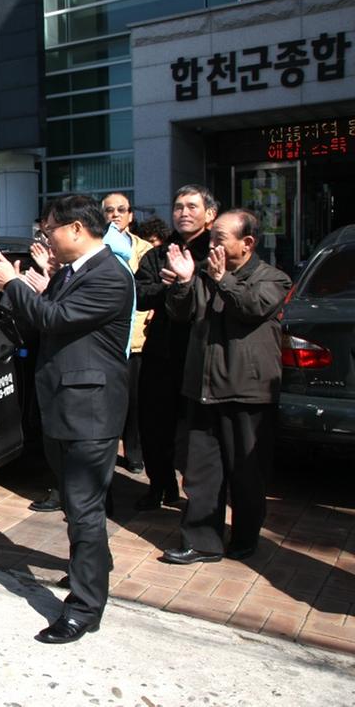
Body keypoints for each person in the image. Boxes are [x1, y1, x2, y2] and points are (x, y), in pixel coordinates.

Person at [0, 194, 133, 644]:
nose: (47, 238)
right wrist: (15, 288)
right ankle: (92, 569)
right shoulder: (74, 273)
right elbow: (41, 318)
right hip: (63, 406)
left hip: (90, 413)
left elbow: (55, 318)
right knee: (77, 506)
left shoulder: (110, 277)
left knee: (83, 508)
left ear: (77, 230)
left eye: (50, 231)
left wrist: (12, 283)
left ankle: (84, 608)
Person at [159, 210, 291, 565]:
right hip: (202, 387)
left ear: (247, 243)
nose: (212, 244)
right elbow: (179, 313)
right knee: (200, 471)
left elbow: (250, 308)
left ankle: (246, 537)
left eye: (219, 238)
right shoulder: (203, 274)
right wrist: (184, 283)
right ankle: (202, 541)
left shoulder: (272, 278)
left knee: (246, 474)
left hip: (246, 390)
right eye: (211, 238)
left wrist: (222, 280)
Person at [133, 185, 218, 511]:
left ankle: (200, 500)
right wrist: (169, 284)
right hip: (161, 352)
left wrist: (188, 278)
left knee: (199, 431)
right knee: (154, 424)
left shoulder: (216, 251)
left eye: (192, 206)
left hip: (203, 352)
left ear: (209, 214)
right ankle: (160, 486)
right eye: (178, 206)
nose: (184, 212)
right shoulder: (159, 253)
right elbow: (140, 294)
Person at [102, 193, 154, 475]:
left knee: (136, 403)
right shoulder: (97, 248)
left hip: (137, 340)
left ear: (131, 215)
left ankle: (134, 453)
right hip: (108, 342)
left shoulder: (144, 250)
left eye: (121, 210)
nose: (115, 215)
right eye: (109, 210)